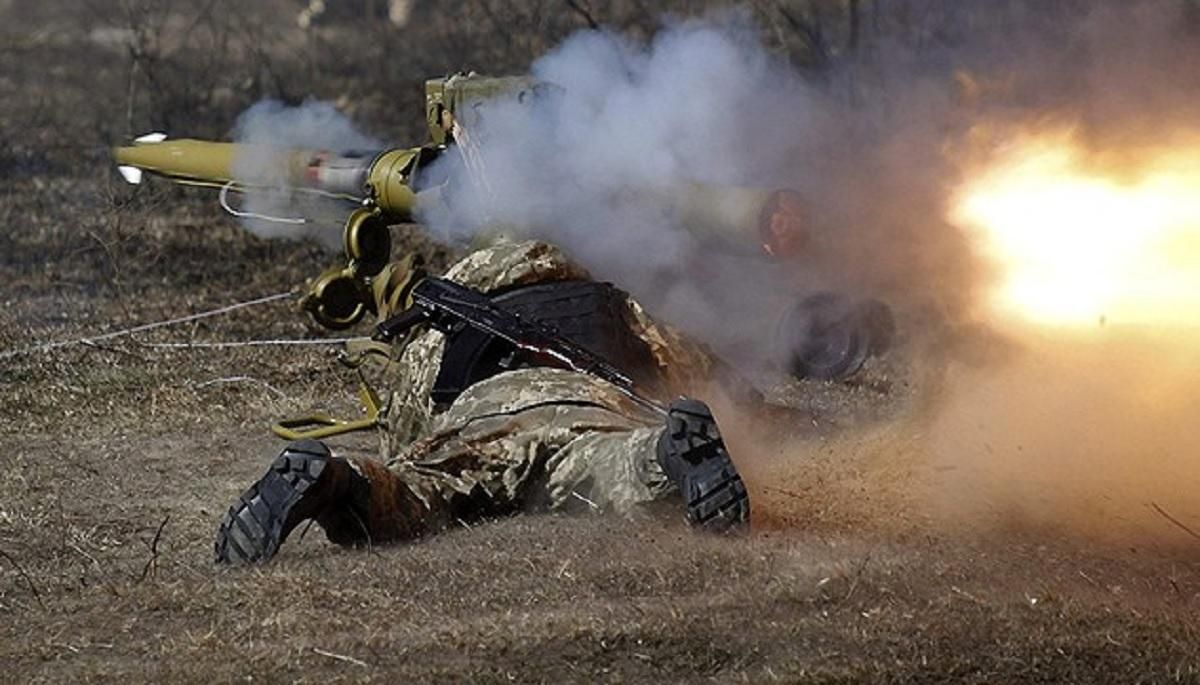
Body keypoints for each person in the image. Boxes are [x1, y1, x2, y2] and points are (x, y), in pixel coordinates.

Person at [214, 239, 750, 564]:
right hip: (588, 407)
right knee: (615, 468)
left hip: (479, 415)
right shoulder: (610, 302)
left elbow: (411, 411)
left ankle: (334, 481)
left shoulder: (444, 319)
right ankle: (666, 457)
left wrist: (403, 459)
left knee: (418, 492)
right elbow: (689, 365)